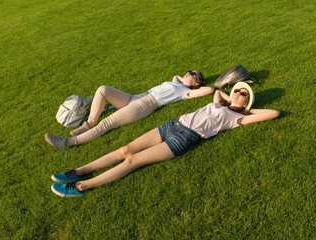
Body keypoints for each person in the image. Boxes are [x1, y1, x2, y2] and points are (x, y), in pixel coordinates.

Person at [50, 82, 280, 197]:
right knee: (124, 149)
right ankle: (78, 171)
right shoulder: (223, 103)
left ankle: (81, 186)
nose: (238, 93)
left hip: (186, 138)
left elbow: (274, 114)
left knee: (132, 161)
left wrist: (247, 110)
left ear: (247, 104)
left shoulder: (235, 118)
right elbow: (217, 93)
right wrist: (231, 97)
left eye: (243, 94)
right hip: (173, 124)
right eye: (238, 91)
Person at [45, 70, 214, 149]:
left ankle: (67, 143)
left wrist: (195, 87)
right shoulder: (177, 83)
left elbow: (209, 90)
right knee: (103, 89)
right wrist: (184, 79)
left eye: (192, 73)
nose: (187, 72)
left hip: (145, 105)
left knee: (107, 123)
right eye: (189, 71)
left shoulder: (185, 92)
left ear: (196, 82)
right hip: (136, 97)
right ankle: (89, 123)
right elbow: (176, 77)